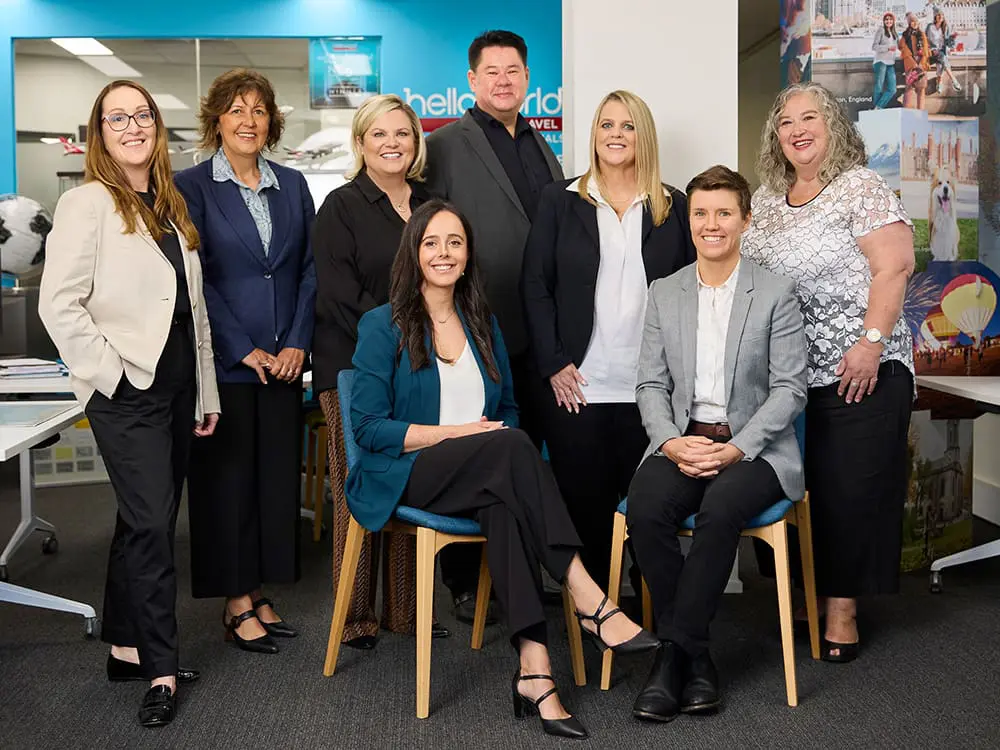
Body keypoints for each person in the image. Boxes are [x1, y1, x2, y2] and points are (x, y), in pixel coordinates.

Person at [348, 200, 659, 739]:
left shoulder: (482, 323)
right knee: (511, 449)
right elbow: (369, 428)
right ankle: (588, 596)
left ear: (468, 255)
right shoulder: (383, 325)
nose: (443, 253)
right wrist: (457, 435)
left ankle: (535, 672)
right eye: (431, 243)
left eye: (454, 242)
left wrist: (483, 437)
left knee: (504, 498)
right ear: (414, 253)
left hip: (485, 473)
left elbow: (508, 409)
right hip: (407, 471)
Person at [38, 80, 220, 728]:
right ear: (100, 133)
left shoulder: (168, 205)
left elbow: (191, 311)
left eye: (142, 114)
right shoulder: (88, 204)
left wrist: (205, 389)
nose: (133, 125)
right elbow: (57, 304)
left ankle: (124, 644)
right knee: (152, 528)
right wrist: (111, 376)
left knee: (143, 519)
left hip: (175, 391)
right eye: (118, 118)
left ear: (156, 128)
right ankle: (161, 669)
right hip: (127, 395)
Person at [627, 165, 807, 722]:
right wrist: (670, 442)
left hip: (754, 446)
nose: (711, 224)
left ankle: (670, 657)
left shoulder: (774, 292)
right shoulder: (665, 292)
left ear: (745, 220)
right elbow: (651, 384)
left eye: (724, 212)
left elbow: (789, 389)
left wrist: (735, 449)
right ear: (690, 220)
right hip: (682, 440)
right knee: (647, 507)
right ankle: (697, 657)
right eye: (701, 213)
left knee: (722, 508)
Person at [744, 82, 915, 664]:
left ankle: (841, 608)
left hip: (859, 368)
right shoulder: (766, 198)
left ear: (833, 125)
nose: (797, 129)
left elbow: (895, 265)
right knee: (796, 484)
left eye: (809, 117)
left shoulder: (859, 187)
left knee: (848, 489)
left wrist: (870, 344)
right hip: (788, 374)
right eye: (785, 121)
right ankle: (803, 594)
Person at [522, 90, 695, 588]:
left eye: (628, 126)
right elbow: (535, 285)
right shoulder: (560, 199)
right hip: (578, 384)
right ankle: (597, 621)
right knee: (587, 510)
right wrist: (554, 363)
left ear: (644, 136)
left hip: (652, 389)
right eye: (606, 125)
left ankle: (656, 617)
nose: (616, 135)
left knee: (648, 509)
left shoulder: (673, 206)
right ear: (594, 134)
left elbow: (691, 291)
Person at [175, 69, 316, 654]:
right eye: (236, 109)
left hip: (284, 362)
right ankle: (235, 602)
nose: (249, 119)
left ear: (271, 121)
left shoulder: (293, 185)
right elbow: (194, 279)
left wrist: (297, 343)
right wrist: (242, 346)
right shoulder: (190, 187)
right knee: (227, 483)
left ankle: (257, 590)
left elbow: (311, 268)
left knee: (272, 482)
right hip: (227, 363)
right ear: (217, 120)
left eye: (259, 110)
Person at [425, 29, 563, 623]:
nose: (504, 80)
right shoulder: (447, 145)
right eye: (493, 72)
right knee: (475, 446)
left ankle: (527, 571)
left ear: (527, 80)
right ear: (473, 81)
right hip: (478, 324)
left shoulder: (542, 145)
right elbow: (432, 234)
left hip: (544, 330)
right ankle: (463, 581)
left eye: (515, 71)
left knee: (529, 450)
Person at [311, 94, 446, 650]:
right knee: (358, 486)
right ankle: (357, 615)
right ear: (360, 142)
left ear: (416, 143)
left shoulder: (431, 205)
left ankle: (406, 612)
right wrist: (401, 337)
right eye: (379, 134)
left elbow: (445, 276)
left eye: (403, 134)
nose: (392, 143)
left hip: (418, 367)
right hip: (355, 369)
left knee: (409, 482)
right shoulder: (340, 207)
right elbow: (340, 296)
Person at [926, 6, 961, 94]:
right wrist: (931, 49)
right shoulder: (930, 27)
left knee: (941, 64)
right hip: (931, 52)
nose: (940, 16)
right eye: (938, 15)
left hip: (941, 52)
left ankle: (939, 83)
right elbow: (925, 40)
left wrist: (953, 37)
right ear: (935, 16)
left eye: (942, 15)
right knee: (942, 58)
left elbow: (949, 43)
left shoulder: (946, 28)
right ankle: (953, 79)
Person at [899, 12, 930, 109]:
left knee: (921, 89)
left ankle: (921, 114)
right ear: (909, 23)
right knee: (909, 89)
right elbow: (902, 48)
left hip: (921, 65)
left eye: (915, 21)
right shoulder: (905, 35)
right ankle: (906, 113)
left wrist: (921, 63)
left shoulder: (922, 35)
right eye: (912, 21)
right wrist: (913, 64)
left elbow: (925, 51)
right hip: (910, 65)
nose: (914, 23)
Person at [872, 12, 899, 109]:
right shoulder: (881, 30)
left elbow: (900, 46)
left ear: (893, 21)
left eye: (890, 19)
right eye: (886, 19)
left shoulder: (894, 33)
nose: (888, 21)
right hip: (881, 62)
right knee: (879, 87)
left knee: (892, 89)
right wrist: (887, 48)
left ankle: (878, 106)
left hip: (890, 63)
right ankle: (875, 109)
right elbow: (874, 47)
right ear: (884, 21)